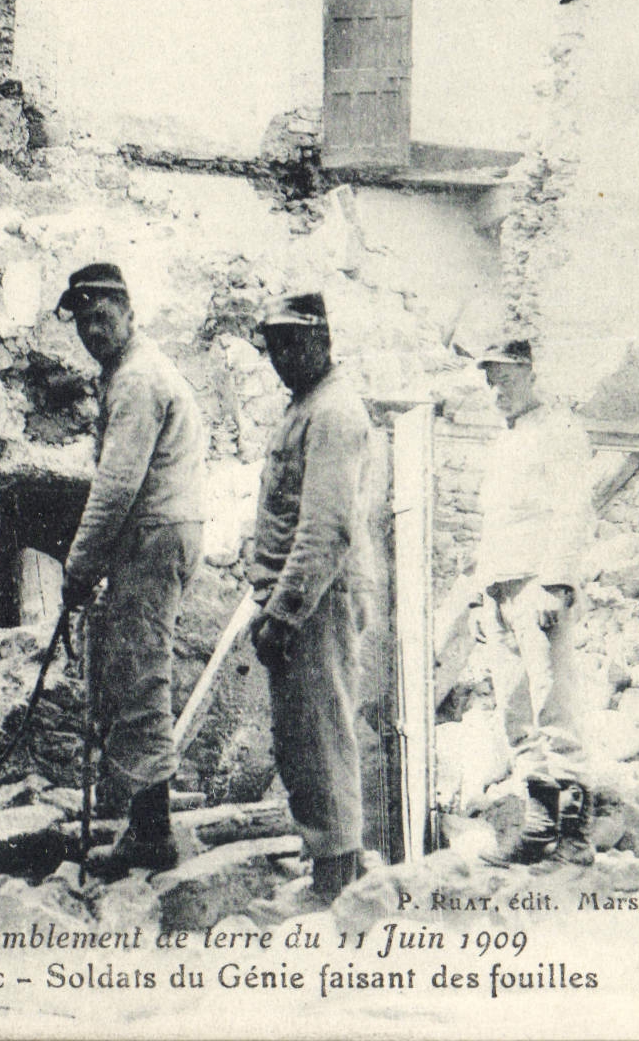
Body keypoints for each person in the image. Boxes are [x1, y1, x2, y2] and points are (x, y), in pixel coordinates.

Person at [56, 263, 205, 876]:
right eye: (83, 320)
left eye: (102, 316)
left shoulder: (138, 378)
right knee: (128, 667)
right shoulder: (128, 371)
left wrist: (78, 564)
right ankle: (138, 811)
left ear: (129, 310)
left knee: (141, 673)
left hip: (152, 533)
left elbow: (117, 484)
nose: (93, 329)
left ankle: (152, 831)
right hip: (156, 533)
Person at [250, 291, 373, 904]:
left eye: (292, 344)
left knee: (321, 735)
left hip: (315, 598)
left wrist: (285, 611)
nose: (281, 357)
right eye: (272, 347)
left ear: (322, 340)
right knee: (301, 735)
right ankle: (331, 867)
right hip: (295, 597)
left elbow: (326, 526)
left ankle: (336, 881)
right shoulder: (305, 406)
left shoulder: (334, 411)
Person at [472, 339, 597, 864]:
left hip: (538, 587)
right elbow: (493, 525)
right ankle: (539, 829)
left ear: (528, 372)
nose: (495, 388)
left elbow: (574, 508)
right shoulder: (504, 441)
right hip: (501, 589)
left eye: (504, 376)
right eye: (489, 379)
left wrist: (556, 581)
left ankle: (574, 838)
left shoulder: (559, 430)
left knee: (555, 709)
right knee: (515, 713)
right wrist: (484, 598)